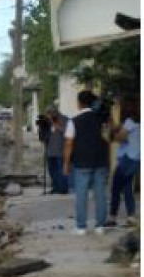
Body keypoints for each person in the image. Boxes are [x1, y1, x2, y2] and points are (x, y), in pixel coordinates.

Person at [64, 90, 111, 235]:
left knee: (81, 195)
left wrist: (66, 164)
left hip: (81, 163)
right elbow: (109, 137)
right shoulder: (102, 119)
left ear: (79, 103)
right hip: (101, 162)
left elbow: (69, 144)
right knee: (101, 195)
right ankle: (100, 226)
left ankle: (81, 227)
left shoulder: (74, 121)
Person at [110, 102, 140, 225]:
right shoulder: (138, 123)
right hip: (136, 158)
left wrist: (112, 134)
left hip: (126, 158)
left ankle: (112, 216)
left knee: (116, 187)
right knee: (128, 188)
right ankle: (131, 216)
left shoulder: (129, 122)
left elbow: (121, 138)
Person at [41, 107, 69, 194]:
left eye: (50, 114)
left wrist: (56, 125)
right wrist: (42, 128)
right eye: (48, 114)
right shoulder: (47, 121)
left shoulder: (64, 119)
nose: (49, 116)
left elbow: (67, 132)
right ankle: (55, 188)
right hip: (50, 150)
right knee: (52, 171)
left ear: (56, 113)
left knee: (60, 170)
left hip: (60, 149)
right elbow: (43, 137)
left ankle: (63, 189)